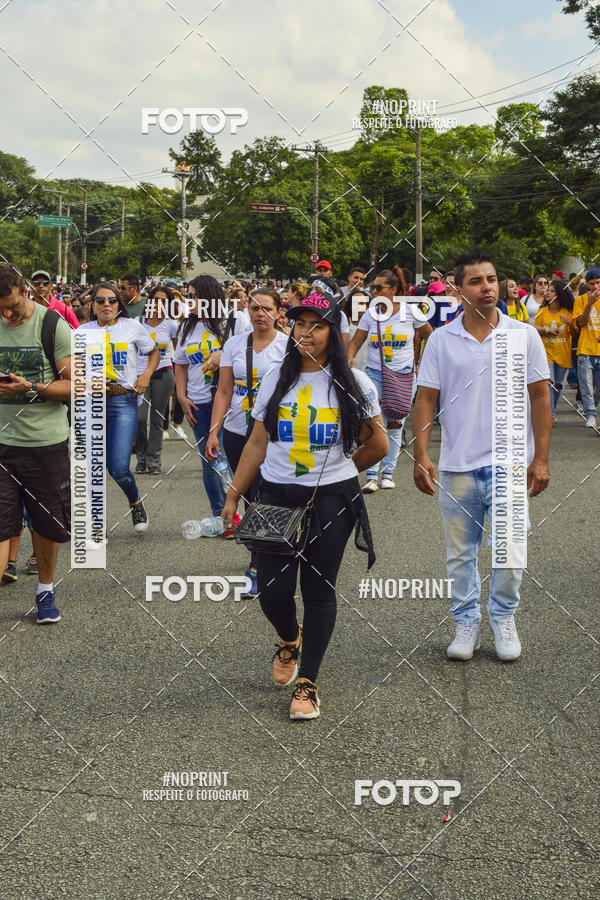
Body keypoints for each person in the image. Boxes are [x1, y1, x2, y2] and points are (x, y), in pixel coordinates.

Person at [221, 289, 388, 719]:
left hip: (332, 499)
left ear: (333, 333)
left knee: (319, 590)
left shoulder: (354, 383)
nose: (306, 333)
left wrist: (340, 471)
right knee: (273, 590)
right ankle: (288, 638)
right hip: (275, 495)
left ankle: (309, 682)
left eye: (317, 326)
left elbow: (379, 443)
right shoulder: (277, 377)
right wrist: (234, 493)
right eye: (299, 324)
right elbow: (257, 441)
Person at [413, 250, 551, 662]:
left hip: (509, 463)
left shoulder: (524, 335)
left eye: (491, 279)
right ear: (458, 289)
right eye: (476, 281)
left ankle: (503, 615)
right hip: (457, 465)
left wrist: (540, 458)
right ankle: (466, 620)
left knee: (510, 553)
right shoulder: (441, 339)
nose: (487, 287)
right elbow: (425, 400)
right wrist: (421, 454)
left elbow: (541, 398)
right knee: (460, 555)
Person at [0, 263, 73, 623]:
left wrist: (30, 387)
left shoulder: (51, 325)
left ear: (25, 292)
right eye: (0, 308)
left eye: (12, 306)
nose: (7, 314)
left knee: (45, 525)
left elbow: (76, 384)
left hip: (45, 443)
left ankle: (45, 589)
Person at [207, 288, 288, 595]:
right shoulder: (234, 344)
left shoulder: (287, 345)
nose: (259, 313)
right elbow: (224, 391)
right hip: (237, 430)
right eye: (254, 308)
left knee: (265, 493)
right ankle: (262, 552)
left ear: (278, 312)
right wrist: (214, 431)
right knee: (245, 493)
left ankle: (257, 564)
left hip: (272, 431)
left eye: (266, 308)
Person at [80, 283, 160, 532]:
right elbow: (69, 365)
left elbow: (154, 352)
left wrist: (146, 375)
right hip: (90, 402)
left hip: (122, 402)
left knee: (118, 467)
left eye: (112, 300)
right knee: (93, 467)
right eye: (101, 301)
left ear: (119, 305)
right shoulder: (81, 332)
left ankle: (135, 501)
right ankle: (97, 525)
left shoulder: (132, 327)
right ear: (92, 305)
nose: (107, 305)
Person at [349, 268, 432, 492]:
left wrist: (425, 364)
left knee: (395, 424)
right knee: (374, 424)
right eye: (372, 287)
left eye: (378, 287)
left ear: (393, 290)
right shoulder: (370, 314)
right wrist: (348, 359)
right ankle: (371, 477)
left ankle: (388, 473)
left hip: (404, 376)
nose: (373, 291)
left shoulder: (411, 313)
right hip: (374, 375)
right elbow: (356, 342)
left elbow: (431, 338)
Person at [174, 275, 234, 518]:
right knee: (209, 460)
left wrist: (223, 354)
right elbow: (180, 364)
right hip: (198, 401)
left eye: (194, 295)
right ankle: (220, 514)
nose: (190, 300)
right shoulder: (187, 326)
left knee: (229, 456)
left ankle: (238, 510)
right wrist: (181, 396)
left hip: (232, 401)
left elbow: (250, 350)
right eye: (189, 295)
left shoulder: (232, 322)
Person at [135, 286, 178, 475]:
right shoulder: (137, 322)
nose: (159, 303)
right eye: (156, 299)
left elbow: (179, 351)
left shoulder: (171, 324)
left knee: (158, 420)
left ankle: (153, 462)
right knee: (139, 417)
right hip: (139, 375)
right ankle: (141, 457)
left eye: (163, 300)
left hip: (163, 373)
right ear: (149, 300)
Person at [532, 280, 575, 422]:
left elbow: (575, 333)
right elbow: (534, 329)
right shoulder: (541, 311)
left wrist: (570, 323)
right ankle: (550, 415)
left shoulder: (568, 312)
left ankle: (553, 409)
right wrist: (547, 330)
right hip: (546, 353)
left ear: (559, 294)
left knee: (559, 385)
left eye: (551, 291)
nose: (547, 293)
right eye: (547, 290)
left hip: (563, 353)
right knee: (549, 384)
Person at [572, 267, 600, 427]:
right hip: (585, 349)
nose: (595, 286)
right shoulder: (581, 300)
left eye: (598, 283)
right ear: (587, 284)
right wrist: (589, 304)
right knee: (586, 387)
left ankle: (592, 407)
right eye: (592, 283)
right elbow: (580, 323)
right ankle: (590, 414)